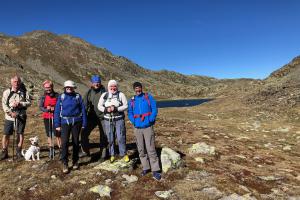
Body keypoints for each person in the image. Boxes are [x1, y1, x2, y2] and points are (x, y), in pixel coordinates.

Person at [127, 82, 161, 180]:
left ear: (141, 88)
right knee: (141, 149)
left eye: (139, 88)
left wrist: (151, 119)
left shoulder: (148, 97)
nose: (138, 90)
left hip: (147, 127)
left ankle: (155, 170)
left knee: (151, 148)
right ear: (134, 89)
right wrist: (134, 121)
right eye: (136, 89)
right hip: (137, 128)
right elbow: (129, 112)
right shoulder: (132, 100)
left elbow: (154, 108)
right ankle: (146, 167)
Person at [54, 80, 87, 173]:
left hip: (77, 122)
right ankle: (65, 162)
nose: (68, 88)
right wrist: (57, 124)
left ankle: (75, 161)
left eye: (70, 87)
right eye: (67, 87)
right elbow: (57, 111)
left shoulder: (78, 96)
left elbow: (83, 110)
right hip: (64, 122)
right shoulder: (61, 97)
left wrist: (84, 123)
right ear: (65, 88)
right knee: (64, 143)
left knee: (76, 142)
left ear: (73, 88)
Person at [97, 80, 129, 163]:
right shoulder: (104, 95)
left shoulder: (121, 94)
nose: (113, 88)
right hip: (108, 120)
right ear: (108, 87)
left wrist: (116, 109)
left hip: (119, 119)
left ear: (117, 87)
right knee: (110, 138)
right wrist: (105, 110)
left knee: (121, 137)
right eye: (111, 86)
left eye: (114, 86)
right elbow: (99, 106)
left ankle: (123, 154)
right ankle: (112, 154)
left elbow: (126, 105)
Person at [0, 75, 31, 160]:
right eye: (14, 81)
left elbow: (29, 102)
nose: (16, 83)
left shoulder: (24, 92)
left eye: (18, 81)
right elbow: (3, 104)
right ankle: (4, 151)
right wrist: (10, 112)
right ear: (11, 82)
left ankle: (18, 151)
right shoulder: (7, 92)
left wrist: (20, 103)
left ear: (20, 82)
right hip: (9, 117)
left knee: (20, 133)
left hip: (21, 116)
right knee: (6, 134)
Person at [80, 75, 107, 161]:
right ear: (92, 83)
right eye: (95, 82)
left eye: (98, 82)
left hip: (103, 117)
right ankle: (85, 151)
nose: (97, 84)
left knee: (104, 136)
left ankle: (103, 155)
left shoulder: (104, 92)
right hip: (91, 117)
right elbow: (84, 104)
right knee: (84, 133)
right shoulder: (89, 92)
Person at [39, 80, 61, 159]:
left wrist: (55, 108)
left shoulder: (57, 95)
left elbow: (60, 105)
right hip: (46, 116)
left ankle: (61, 149)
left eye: (49, 87)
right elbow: (40, 107)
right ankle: (51, 150)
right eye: (46, 87)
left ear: (52, 87)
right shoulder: (43, 96)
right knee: (49, 134)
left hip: (56, 117)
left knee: (58, 133)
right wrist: (46, 109)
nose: (47, 89)